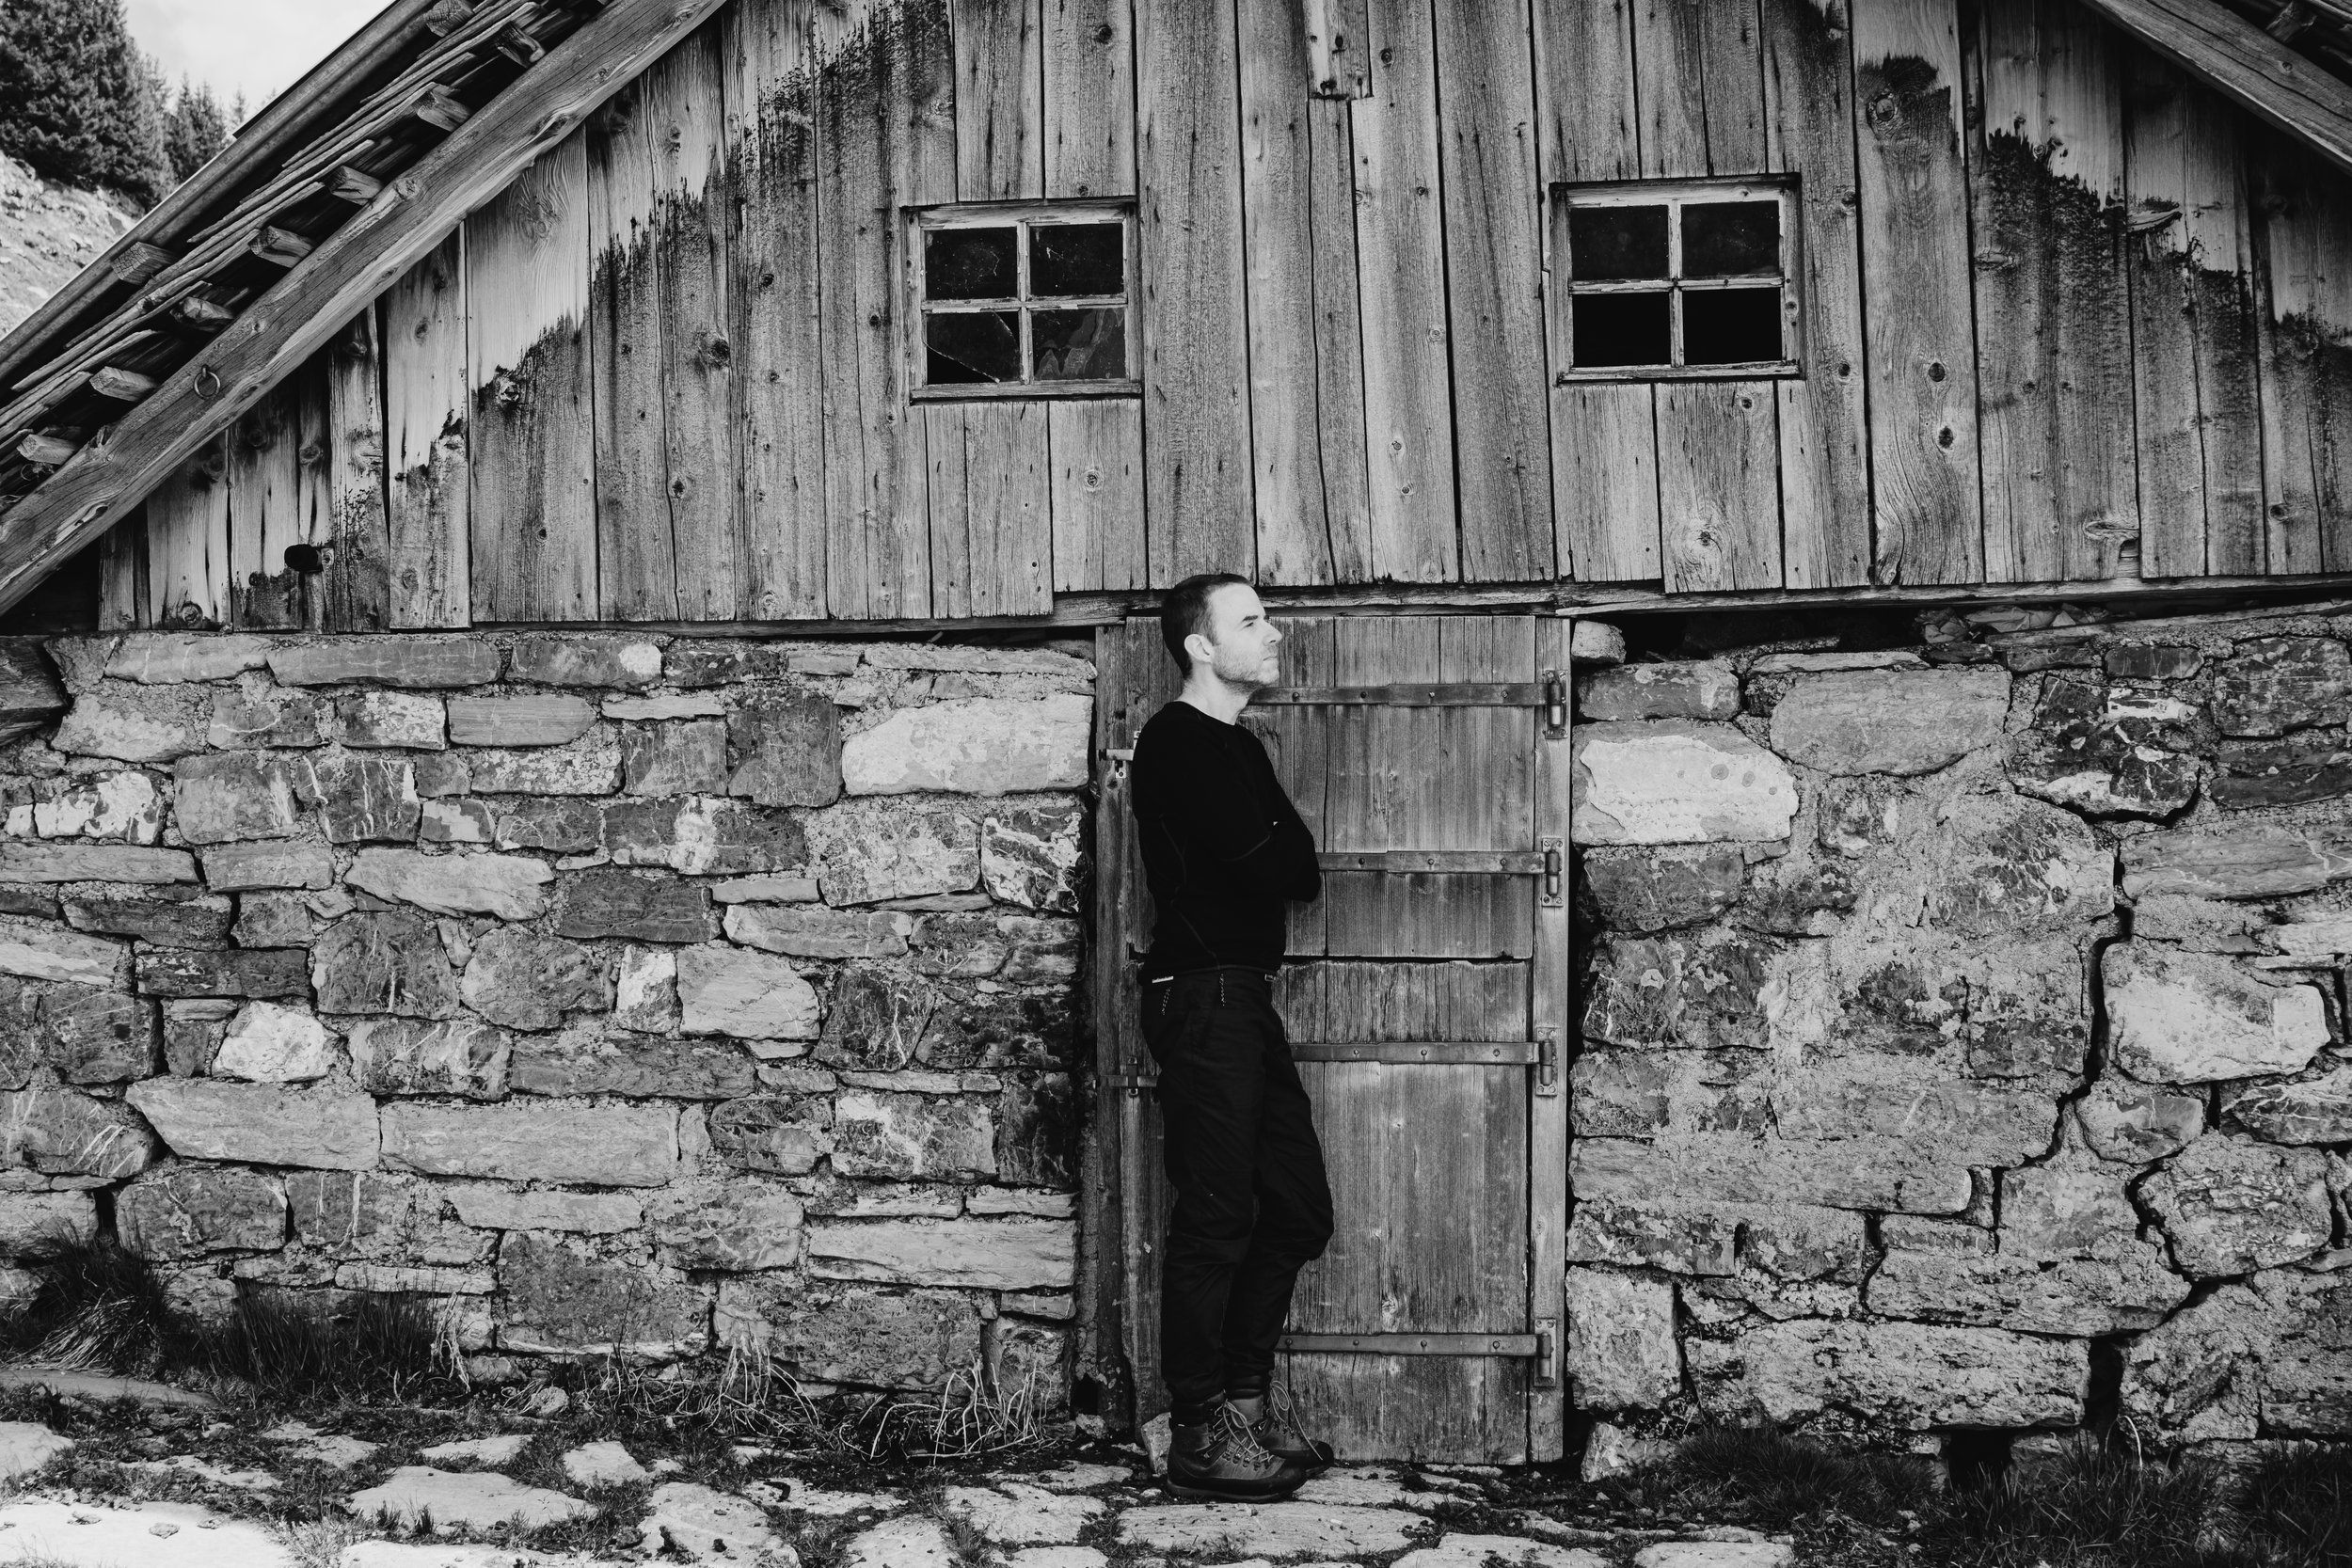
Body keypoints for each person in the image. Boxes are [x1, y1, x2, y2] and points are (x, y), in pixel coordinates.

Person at [1129, 573, 1336, 1500]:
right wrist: (1273, 848)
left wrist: (1275, 849)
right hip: (1201, 995)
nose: (1273, 631)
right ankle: (1199, 1431)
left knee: (1295, 1206)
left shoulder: (1238, 746)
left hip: (1241, 997)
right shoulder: (1176, 739)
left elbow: (1301, 870)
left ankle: (1245, 1407)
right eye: (1251, 621)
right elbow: (1268, 864)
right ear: (1201, 646)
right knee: (1215, 1216)